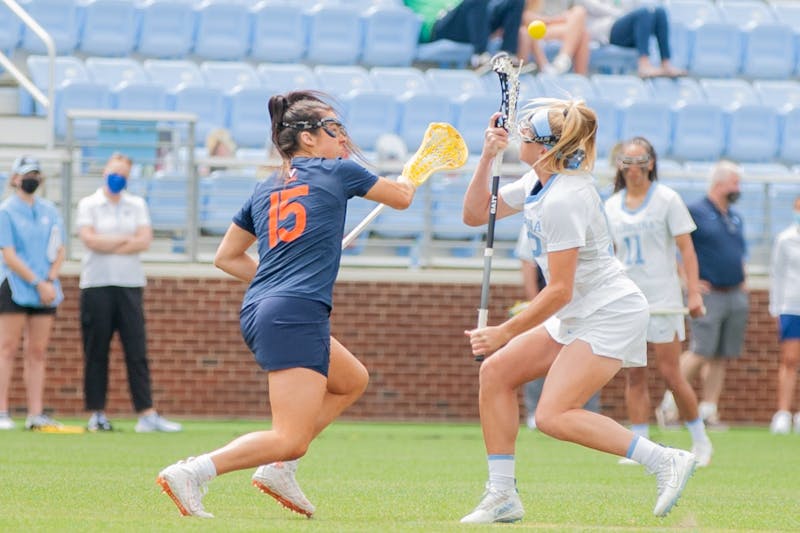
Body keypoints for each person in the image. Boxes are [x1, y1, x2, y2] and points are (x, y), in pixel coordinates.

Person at [155, 90, 419, 518]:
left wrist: (283, 273)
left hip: (264, 307)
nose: (344, 140)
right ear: (308, 139)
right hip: (294, 311)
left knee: (352, 379)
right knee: (289, 435)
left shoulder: (266, 186)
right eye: (334, 130)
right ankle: (195, 471)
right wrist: (415, 172)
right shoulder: (340, 171)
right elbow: (402, 197)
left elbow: (226, 256)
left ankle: (280, 469)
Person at [459, 98, 695, 524]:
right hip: (578, 310)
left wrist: (504, 331)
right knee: (495, 373)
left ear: (546, 148)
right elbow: (475, 214)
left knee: (552, 414)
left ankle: (664, 459)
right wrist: (487, 157)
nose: (519, 142)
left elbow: (561, 290)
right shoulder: (536, 180)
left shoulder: (565, 198)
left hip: (609, 311)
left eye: (525, 137)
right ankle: (502, 494)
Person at [603, 137, 712, 467]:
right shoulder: (611, 206)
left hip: (662, 297)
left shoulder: (667, 199)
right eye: (627, 161)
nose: (633, 168)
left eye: (640, 161)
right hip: (628, 300)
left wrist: (692, 292)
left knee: (670, 373)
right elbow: (609, 255)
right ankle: (641, 444)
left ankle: (699, 440)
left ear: (651, 163)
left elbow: (687, 250)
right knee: (633, 374)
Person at [76, 153, 182, 433]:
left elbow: (144, 240)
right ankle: (97, 412)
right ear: (105, 172)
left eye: (123, 174)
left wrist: (107, 241)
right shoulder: (89, 204)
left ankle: (147, 414)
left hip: (129, 285)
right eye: (114, 172)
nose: (117, 178)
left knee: (136, 350)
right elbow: (89, 239)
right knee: (96, 350)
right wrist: (125, 239)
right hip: (96, 285)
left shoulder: (136, 204)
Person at [656, 161, 748, 429]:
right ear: (719, 183)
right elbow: (674, 246)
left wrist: (744, 280)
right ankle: (668, 405)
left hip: (734, 293)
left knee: (720, 354)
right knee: (701, 350)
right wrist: (689, 282)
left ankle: (709, 410)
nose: (738, 188)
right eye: (735, 182)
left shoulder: (734, 215)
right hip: (709, 294)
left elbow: (739, 252)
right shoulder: (695, 211)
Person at [0, 156, 66, 431]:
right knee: (7, 348)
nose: (32, 179)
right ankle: (2, 411)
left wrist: (49, 280)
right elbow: (9, 255)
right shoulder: (6, 211)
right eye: (27, 174)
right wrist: (37, 282)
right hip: (16, 286)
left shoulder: (50, 210)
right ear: (15, 178)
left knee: (37, 351)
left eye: (36, 174)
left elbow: (59, 248)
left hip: (46, 289)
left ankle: (35, 413)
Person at [513, 227, 600, 430]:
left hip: (584, 301)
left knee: (589, 354)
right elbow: (528, 261)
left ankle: (586, 411)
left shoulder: (584, 213)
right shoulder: (534, 217)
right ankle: (535, 412)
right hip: (550, 299)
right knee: (537, 355)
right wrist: (535, 304)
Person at [577, 0, 686, 78]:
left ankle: (665, 63)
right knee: (644, 12)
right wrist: (627, 15)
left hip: (628, 30)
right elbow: (597, 8)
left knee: (660, 12)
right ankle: (644, 65)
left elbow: (635, 9)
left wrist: (630, 16)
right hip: (606, 32)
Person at [403, 0, 526, 67]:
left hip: (472, 23)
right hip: (439, 27)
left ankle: (506, 56)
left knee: (515, 1)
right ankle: (480, 56)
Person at [768, 195, 800, 434]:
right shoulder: (785, 239)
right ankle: (783, 413)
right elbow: (776, 274)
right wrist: (775, 308)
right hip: (792, 306)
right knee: (789, 360)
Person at [518, 0, 591, 75]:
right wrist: (553, 19)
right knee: (580, 32)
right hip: (539, 28)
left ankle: (566, 61)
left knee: (580, 15)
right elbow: (524, 16)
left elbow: (571, 18)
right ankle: (555, 64)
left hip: (559, 27)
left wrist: (561, 19)